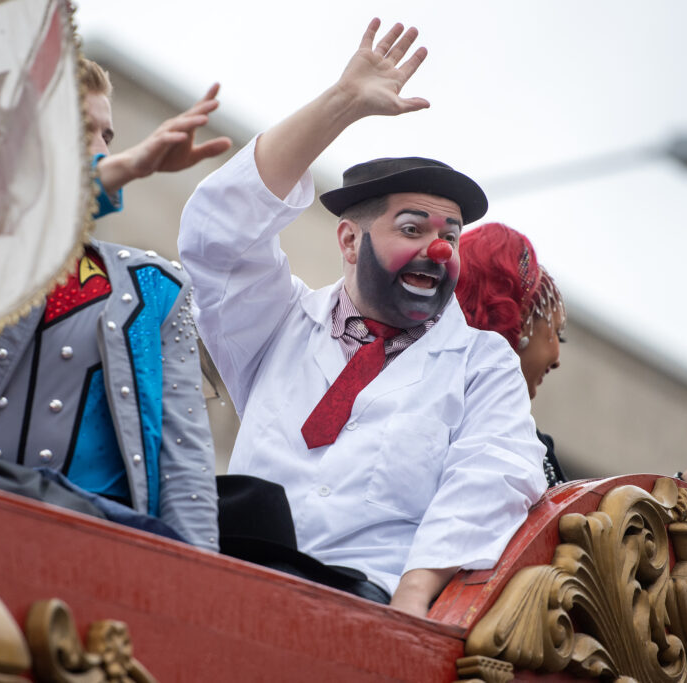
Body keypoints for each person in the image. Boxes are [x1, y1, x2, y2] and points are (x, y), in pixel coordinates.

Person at [179, 19, 546, 616]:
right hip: (230, 585)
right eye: (413, 228)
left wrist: (412, 598)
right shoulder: (277, 323)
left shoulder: (481, 365)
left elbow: (492, 474)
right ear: (349, 242)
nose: (440, 249)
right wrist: (341, 103)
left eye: (450, 234)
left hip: (366, 606)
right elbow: (218, 233)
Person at [0, 57, 229, 550]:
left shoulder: (156, 287)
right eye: (81, 130)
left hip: (100, 563)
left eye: (108, 136)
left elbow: (185, 469)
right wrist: (120, 170)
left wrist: (200, 597)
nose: (101, 149)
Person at [455, 222, 687, 500]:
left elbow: (585, 538)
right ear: (520, 323)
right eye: (555, 334)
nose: (556, 358)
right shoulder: (434, 414)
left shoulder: (532, 445)